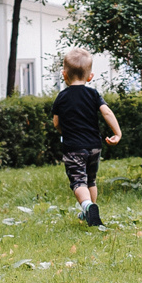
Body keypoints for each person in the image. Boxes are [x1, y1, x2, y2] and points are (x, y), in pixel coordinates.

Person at [50, 48, 121, 227]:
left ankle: (87, 205)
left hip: (74, 146)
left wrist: (62, 132)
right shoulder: (93, 94)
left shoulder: (62, 97)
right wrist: (117, 133)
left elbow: (57, 122)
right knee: (91, 179)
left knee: (78, 181)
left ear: (64, 74)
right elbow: (106, 112)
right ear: (90, 76)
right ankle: (89, 211)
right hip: (94, 146)